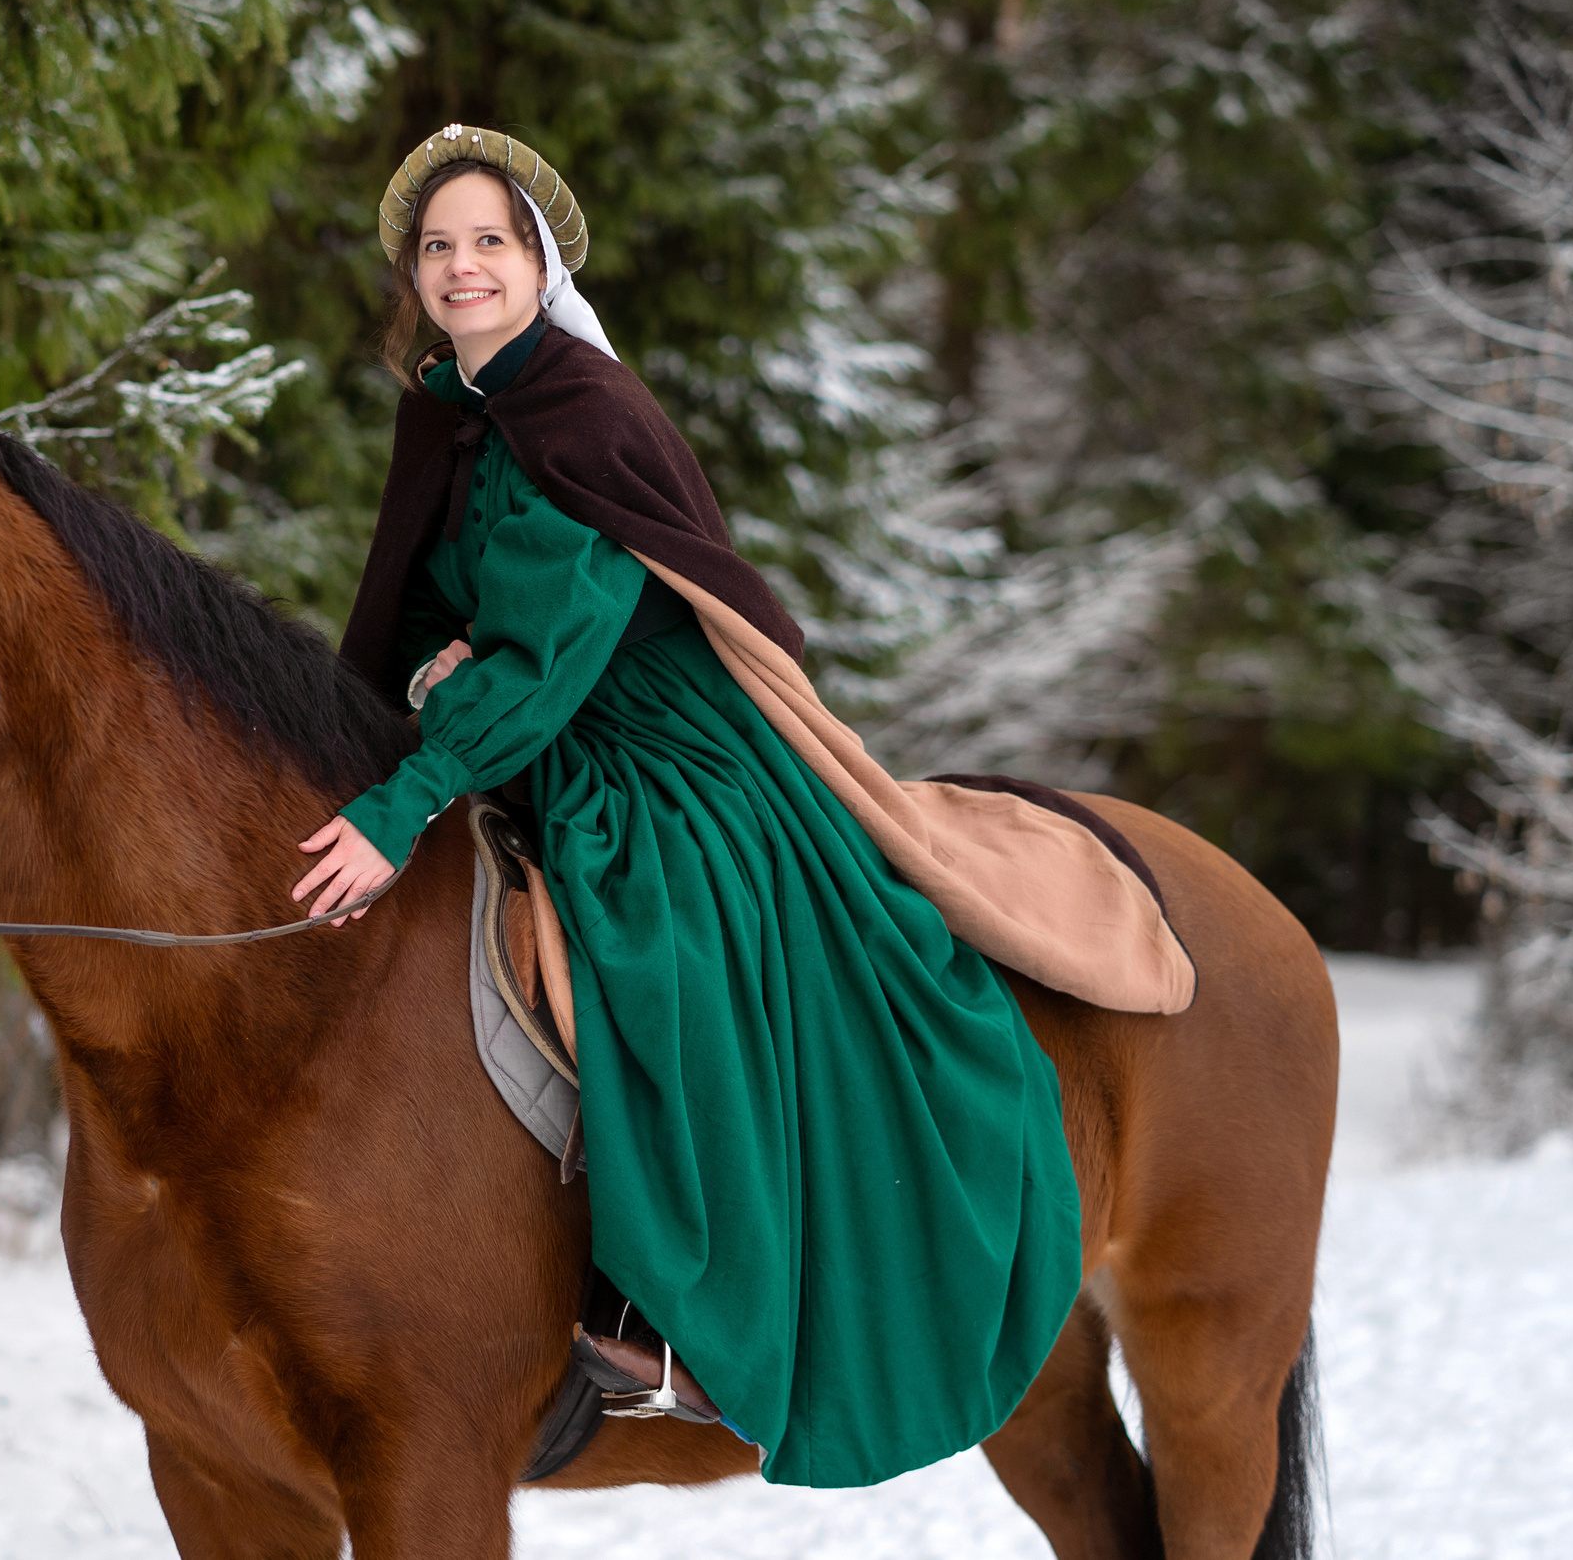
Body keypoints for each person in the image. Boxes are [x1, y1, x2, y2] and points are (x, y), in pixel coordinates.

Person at [288, 125, 1086, 1489]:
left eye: (491, 240)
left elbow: (546, 655)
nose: (464, 265)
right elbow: (431, 614)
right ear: (410, 276)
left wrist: (404, 802)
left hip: (659, 746)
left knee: (646, 923)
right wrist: (430, 674)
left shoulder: (581, 416)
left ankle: (677, 1311)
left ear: (539, 259)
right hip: (535, 721)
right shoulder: (459, 412)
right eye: (439, 246)